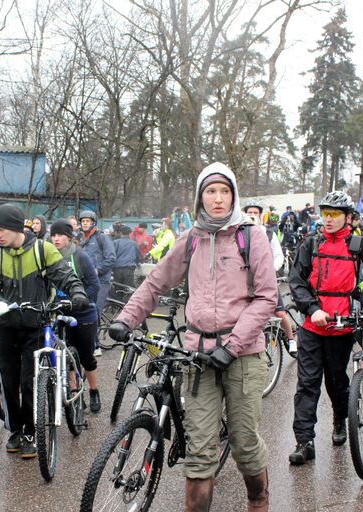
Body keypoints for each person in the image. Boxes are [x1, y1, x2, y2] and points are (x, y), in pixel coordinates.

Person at [108, 162, 277, 511]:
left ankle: (258, 499)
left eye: (224, 191)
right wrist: (126, 319)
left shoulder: (251, 236)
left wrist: (231, 347)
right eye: (210, 191)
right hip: (197, 357)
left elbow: (266, 298)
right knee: (200, 453)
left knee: (244, 443)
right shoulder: (192, 239)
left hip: (243, 356)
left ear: (233, 195)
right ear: (200, 197)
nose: (217, 199)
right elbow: (156, 281)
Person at [288, 191, 363, 465]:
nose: (328, 219)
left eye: (334, 214)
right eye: (325, 214)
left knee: (337, 382)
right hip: (312, 325)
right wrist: (312, 308)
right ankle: (304, 441)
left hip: (343, 327)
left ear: (348, 217)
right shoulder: (310, 245)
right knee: (307, 384)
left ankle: (339, 419)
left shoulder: (359, 245)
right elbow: (296, 282)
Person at [0, 204, 88, 457]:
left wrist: (77, 292)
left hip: (37, 325)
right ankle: (15, 429)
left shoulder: (43, 250)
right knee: (9, 382)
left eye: (0, 230)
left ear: (14, 227)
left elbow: (65, 276)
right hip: (7, 327)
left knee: (30, 382)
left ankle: (31, 430)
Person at [49, 219, 102, 412]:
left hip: (84, 314)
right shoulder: (49, 256)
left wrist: (82, 300)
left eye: (60, 235)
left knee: (86, 357)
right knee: (68, 356)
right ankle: (75, 393)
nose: (56, 239)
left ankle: (94, 391)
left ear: (69, 237)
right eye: (53, 235)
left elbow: (94, 284)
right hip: (61, 313)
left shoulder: (80, 256)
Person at [243, 202, 296, 354]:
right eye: (249, 212)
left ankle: (291, 340)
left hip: (267, 280)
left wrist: (270, 270)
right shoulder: (240, 233)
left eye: (255, 212)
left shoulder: (269, 233)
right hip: (247, 281)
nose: (252, 215)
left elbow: (279, 255)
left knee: (279, 313)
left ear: (260, 215)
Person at [79, 210, 115, 355]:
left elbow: (111, 258)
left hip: (101, 281)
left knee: (95, 312)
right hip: (86, 281)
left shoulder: (102, 238)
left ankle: (95, 346)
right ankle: (87, 342)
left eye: (87, 221)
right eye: (83, 221)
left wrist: (98, 270)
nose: (85, 223)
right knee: (86, 311)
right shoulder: (83, 240)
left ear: (93, 222)